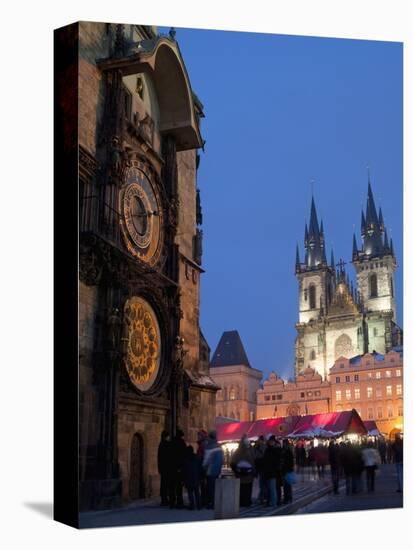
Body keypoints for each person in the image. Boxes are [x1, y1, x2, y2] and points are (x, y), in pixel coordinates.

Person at [231, 435, 256, 507]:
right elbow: (253, 461)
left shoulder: (237, 451)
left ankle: (241, 502)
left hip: (240, 474)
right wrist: (253, 471)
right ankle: (247, 502)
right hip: (248, 474)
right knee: (248, 489)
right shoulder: (250, 451)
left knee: (241, 489)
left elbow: (233, 462)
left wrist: (236, 471)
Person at [203, 430, 224, 509]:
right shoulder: (219, 447)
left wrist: (203, 467)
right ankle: (216, 502)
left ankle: (212, 503)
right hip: (217, 470)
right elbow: (222, 459)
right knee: (215, 487)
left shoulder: (209, 447)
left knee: (210, 487)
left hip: (210, 470)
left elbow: (206, 460)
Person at [262, 436, 282, 507]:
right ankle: (270, 501)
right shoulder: (268, 450)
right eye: (270, 441)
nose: (271, 442)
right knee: (269, 488)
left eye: (272, 441)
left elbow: (277, 462)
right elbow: (265, 460)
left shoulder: (276, 450)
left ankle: (274, 503)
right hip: (267, 472)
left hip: (273, 472)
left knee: (273, 488)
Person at [168, 429, 187, 508]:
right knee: (179, 486)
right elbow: (184, 455)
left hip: (172, 467)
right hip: (179, 467)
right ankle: (179, 501)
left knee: (172, 485)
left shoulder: (171, 442)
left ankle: (172, 502)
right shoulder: (182, 443)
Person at [183, 445, 203, 509]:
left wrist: (183, 479)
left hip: (188, 478)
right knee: (197, 492)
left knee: (190, 492)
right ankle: (199, 505)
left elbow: (184, 470)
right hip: (196, 477)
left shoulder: (186, 459)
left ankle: (192, 505)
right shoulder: (197, 458)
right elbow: (200, 468)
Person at [157, 430, 171, 506]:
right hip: (167, 468)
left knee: (163, 484)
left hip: (163, 467)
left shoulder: (161, 444)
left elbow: (159, 457)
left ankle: (164, 499)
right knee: (165, 484)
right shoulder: (166, 444)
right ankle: (165, 499)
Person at [196, 430, 209, 507]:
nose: (198, 437)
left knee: (204, 485)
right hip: (203, 467)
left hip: (203, 468)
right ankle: (204, 500)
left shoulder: (204, 444)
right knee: (203, 485)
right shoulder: (203, 444)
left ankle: (204, 501)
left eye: (199, 435)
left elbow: (203, 456)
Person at [253, 435, 267, 504]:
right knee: (262, 484)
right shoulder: (257, 447)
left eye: (259, 440)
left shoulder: (263, 447)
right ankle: (262, 497)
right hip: (260, 467)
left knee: (262, 484)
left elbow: (257, 456)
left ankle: (262, 497)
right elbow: (255, 456)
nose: (258, 441)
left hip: (263, 467)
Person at [281, 439, 294, 504]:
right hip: (285, 470)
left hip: (287, 470)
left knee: (287, 485)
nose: (284, 445)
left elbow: (290, 462)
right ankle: (288, 498)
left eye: (285, 443)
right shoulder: (286, 451)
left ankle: (288, 498)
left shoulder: (287, 451)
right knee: (287, 485)